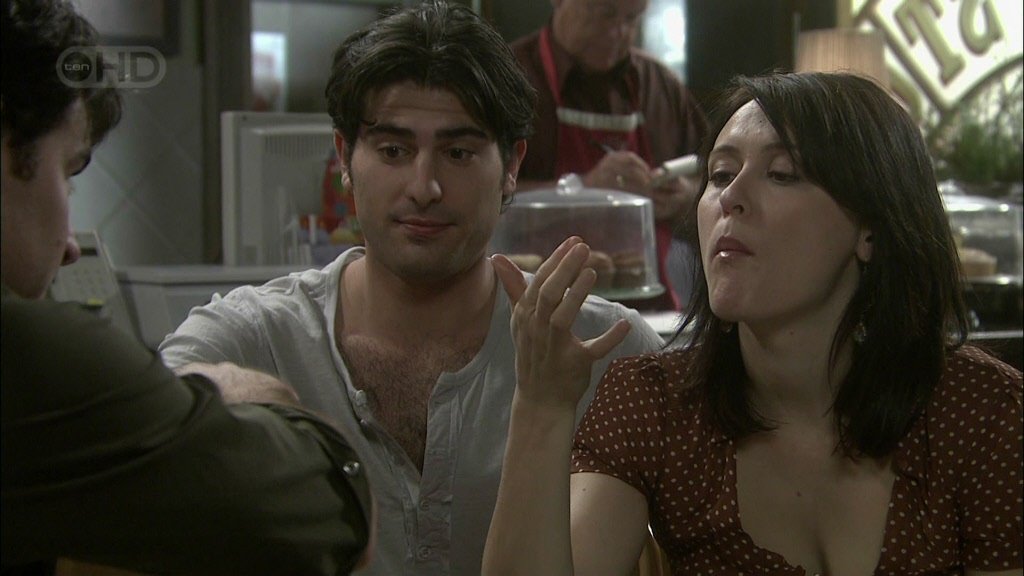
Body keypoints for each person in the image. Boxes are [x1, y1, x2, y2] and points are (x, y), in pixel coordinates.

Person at [157, 2, 663, 575]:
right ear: (344, 158)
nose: (424, 187)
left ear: (511, 168)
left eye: (458, 153)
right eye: (394, 151)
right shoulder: (258, 339)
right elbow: (129, 437)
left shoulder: (608, 351)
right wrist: (229, 397)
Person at [483, 72, 1023, 575]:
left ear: (871, 230)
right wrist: (541, 404)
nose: (730, 197)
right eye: (719, 174)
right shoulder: (656, 403)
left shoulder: (982, 413)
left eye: (782, 174)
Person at [1, 1, 372, 574]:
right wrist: (241, 393)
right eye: (68, 173)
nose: (70, 245)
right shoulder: (26, 356)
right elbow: (325, 507)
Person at [510, 0, 709, 311]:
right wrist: (582, 190)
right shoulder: (507, 79)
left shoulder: (660, 86)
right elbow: (482, 201)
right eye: (606, 14)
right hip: (532, 309)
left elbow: (713, 180)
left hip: (651, 312)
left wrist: (683, 198)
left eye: (632, 19)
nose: (619, 32)